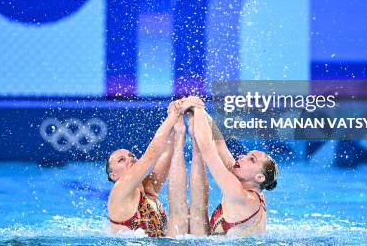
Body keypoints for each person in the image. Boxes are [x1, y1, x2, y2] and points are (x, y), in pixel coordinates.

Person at [170, 96, 279, 237]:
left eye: (251, 159)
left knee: (193, 215)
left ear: (259, 177)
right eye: (246, 155)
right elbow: (219, 143)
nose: (241, 157)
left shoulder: (242, 196)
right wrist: (195, 110)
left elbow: (208, 149)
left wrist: (198, 106)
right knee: (198, 214)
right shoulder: (252, 188)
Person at [105, 98, 188, 237]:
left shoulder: (148, 188)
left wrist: (178, 122)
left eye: (131, 155)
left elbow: (168, 152)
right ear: (113, 175)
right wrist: (173, 115)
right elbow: (151, 156)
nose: (130, 158)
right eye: (121, 160)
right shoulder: (119, 191)